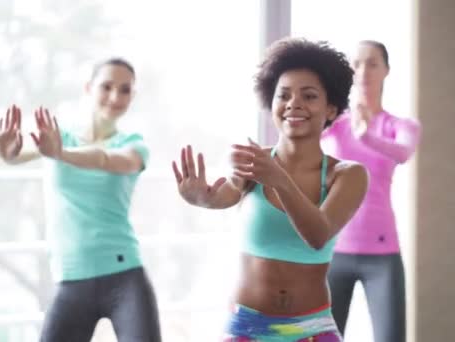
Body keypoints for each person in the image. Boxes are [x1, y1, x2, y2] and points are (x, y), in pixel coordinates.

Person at [172, 38, 368, 341]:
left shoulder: (348, 175)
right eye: (284, 95)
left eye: (309, 96)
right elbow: (222, 196)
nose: (294, 104)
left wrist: (278, 178)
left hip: (312, 329)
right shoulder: (255, 164)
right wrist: (201, 198)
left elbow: (317, 235)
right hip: (246, 327)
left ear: (330, 109)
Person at [0, 58, 162, 342]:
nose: (115, 97)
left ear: (132, 96)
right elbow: (16, 155)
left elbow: (107, 159)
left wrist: (61, 154)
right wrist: (7, 152)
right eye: (106, 86)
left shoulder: (134, 145)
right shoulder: (59, 137)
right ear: (88, 88)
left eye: (125, 90)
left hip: (125, 276)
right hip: (71, 277)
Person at [322, 40, 422, 342]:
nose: (364, 70)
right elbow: (297, 138)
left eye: (373, 63)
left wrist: (367, 136)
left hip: (382, 254)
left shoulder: (400, 125)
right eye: (357, 63)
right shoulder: (335, 125)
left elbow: (403, 152)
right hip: (333, 250)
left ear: (386, 70)